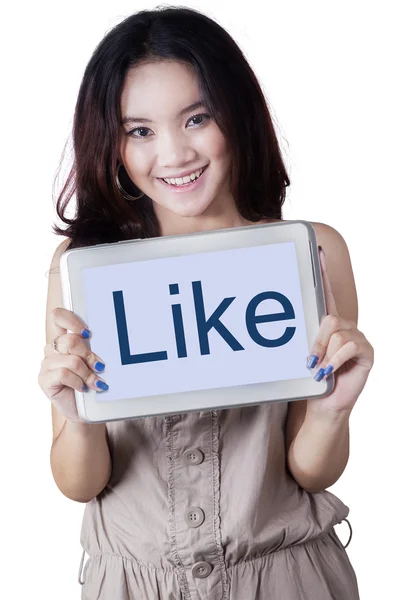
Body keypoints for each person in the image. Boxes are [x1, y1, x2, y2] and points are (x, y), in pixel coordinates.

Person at [37, 6, 374, 599]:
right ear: (111, 142)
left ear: (236, 113)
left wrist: (330, 411)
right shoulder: (85, 268)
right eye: (139, 130)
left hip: (287, 580)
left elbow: (309, 472)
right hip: (134, 585)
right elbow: (81, 482)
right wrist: (76, 414)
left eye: (196, 118)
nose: (173, 154)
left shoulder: (313, 253)